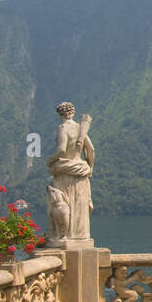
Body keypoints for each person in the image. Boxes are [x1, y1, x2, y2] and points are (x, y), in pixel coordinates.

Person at [46, 102, 94, 244]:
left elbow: (61, 150)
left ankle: (63, 235)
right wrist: (90, 167)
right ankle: (80, 236)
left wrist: (49, 161)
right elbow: (91, 150)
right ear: (72, 113)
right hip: (80, 172)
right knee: (80, 206)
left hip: (65, 173)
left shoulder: (63, 128)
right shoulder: (81, 129)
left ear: (59, 115)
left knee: (63, 204)